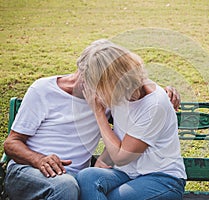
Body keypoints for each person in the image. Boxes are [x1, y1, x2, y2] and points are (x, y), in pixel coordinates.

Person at [3, 41, 181, 200]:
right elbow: (11, 143)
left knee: (75, 183)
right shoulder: (43, 90)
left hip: (79, 178)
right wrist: (39, 159)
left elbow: (135, 91)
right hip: (30, 171)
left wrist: (164, 94)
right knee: (70, 184)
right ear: (85, 74)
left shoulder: (108, 96)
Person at [75, 39, 186, 200]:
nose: (95, 91)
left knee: (113, 198)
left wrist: (98, 112)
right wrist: (102, 160)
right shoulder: (122, 91)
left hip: (163, 179)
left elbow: (121, 157)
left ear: (110, 82)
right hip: (127, 174)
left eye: (97, 86)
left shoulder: (154, 104)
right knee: (86, 177)